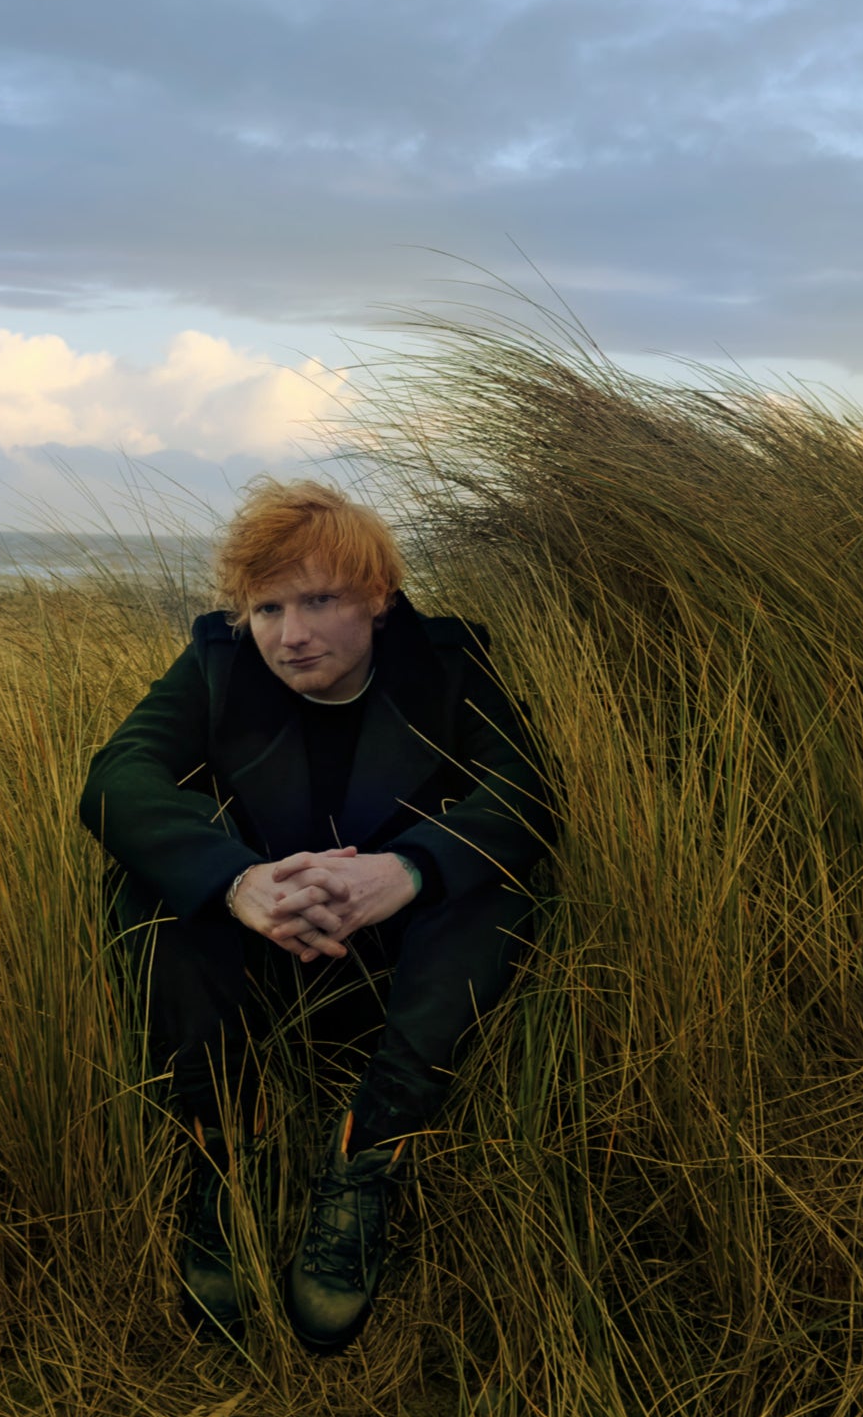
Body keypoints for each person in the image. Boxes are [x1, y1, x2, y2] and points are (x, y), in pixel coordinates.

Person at [79, 479, 551, 1351]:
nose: (288, 635)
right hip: (259, 956)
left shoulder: (447, 664)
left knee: (492, 888)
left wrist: (408, 869)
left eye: (319, 600)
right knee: (149, 883)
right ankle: (227, 1141)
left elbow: (525, 793)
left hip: (398, 965)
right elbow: (119, 776)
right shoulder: (218, 665)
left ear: (377, 596)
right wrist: (236, 883)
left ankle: (369, 1147)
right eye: (266, 608)